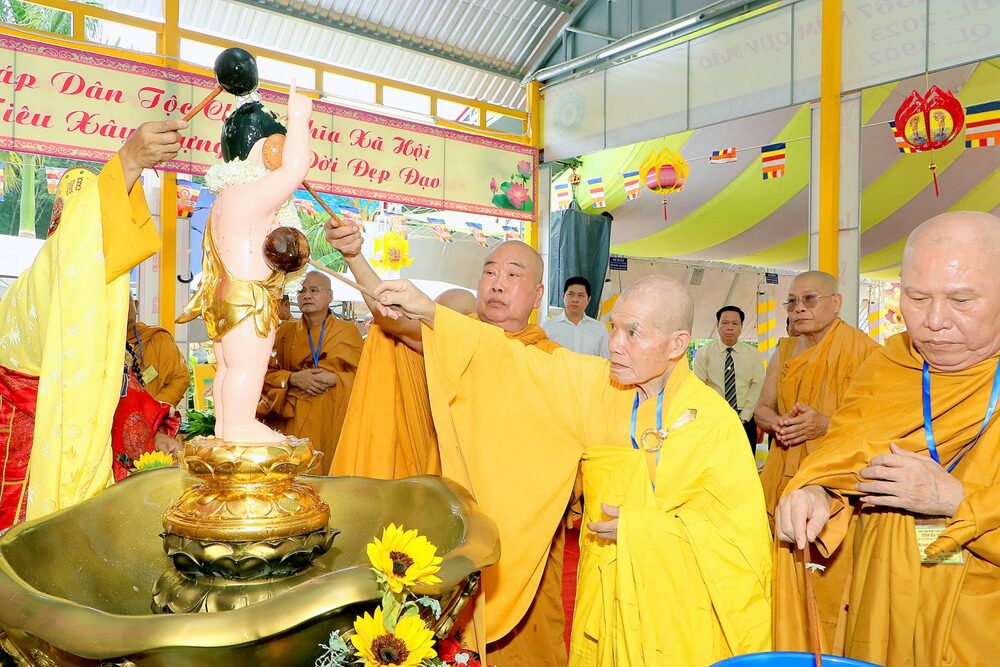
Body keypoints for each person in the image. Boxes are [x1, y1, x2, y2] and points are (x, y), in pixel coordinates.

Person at [373, 274, 771, 664]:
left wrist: (642, 530)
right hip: (607, 591)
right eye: (614, 328)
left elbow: (739, 541)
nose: (615, 345)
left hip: (679, 610)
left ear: (677, 344)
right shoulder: (598, 385)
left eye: (633, 333)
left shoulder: (714, 423)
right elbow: (514, 362)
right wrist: (428, 310)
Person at [326, 223, 566, 665]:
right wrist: (356, 256)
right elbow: (393, 316)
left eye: (514, 275)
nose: (497, 282)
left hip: (520, 528)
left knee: (526, 641)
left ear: (536, 295)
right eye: (490, 271)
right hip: (453, 515)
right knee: (443, 633)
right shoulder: (455, 336)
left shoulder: (549, 362)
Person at [774, 212, 1000, 667]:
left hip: (979, 612)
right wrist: (817, 492)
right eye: (917, 297)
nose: (935, 321)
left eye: (962, 300)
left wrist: (957, 501)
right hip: (881, 595)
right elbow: (843, 456)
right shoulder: (890, 365)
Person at [0, 119, 187, 529]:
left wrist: (157, 430)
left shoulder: (95, 301)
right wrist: (129, 161)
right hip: (22, 459)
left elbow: (115, 384)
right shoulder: (37, 282)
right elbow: (80, 244)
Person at [177, 77, 312, 444]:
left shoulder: (226, 198)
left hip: (224, 297)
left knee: (228, 366)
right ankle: (238, 424)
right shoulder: (250, 193)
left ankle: (226, 425)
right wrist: (299, 117)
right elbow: (295, 169)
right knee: (246, 366)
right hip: (248, 299)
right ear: (268, 148)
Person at [753, 271, 877, 649]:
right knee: (778, 571)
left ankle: (831, 648)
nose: (798, 309)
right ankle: (784, 642)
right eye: (791, 301)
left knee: (830, 577)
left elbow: (875, 423)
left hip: (835, 485)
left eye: (809, 299)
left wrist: (824, 424)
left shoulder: (865, 351)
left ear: (836, 303)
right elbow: (762, 409)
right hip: (784, 470)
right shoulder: (786, 350)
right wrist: (780, 425)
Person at [258, 271, 363, 463]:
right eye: (302, 291)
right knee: (294, 472)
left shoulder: (347, 332)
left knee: (329, 471)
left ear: (330, 296)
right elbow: (262, 374)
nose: (307, 295)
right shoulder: (284, 331)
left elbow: (366, 378)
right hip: (293, 417)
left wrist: (335, 379)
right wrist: (292, 378)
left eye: (314, 290)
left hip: (330, 416)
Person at [693, 305, 765, 452]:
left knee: (744, 465)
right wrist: (715, 415)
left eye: (734, 323)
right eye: (724, 323)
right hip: (713, 418)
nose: (729, 328)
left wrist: (744, 417)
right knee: (715, 463)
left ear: (741, 327)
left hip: (746, 418)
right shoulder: (704, 353)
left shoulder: (753, 354)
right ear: (718, 326)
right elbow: (699, 387)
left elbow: (757, 386)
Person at [127, 297, 189, 406]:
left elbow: (180, 377)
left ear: (136, 305)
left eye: (126, 300)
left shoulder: (158, 337)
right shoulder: (100, 343)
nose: (122, 307)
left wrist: (154, 408)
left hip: (153, 417)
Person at [542, 277, 609, 358]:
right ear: (564, 296)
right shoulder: (546, 327)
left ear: (588, 299)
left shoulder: (600, 329)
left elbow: (606, 360)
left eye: (580, 295)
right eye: (571, 294)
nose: (575, 299)